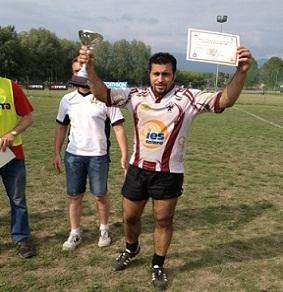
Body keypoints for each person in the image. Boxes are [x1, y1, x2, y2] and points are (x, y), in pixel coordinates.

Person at [78, 46, 252, 290]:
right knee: (130, 217)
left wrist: (241, 72)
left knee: (163, 220)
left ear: (174, 75)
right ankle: (131, 247)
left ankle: (158, 264)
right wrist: (91, 69)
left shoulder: (188, 98)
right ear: (149, 74)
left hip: (169, 172)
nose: (160, 79)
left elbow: (225, 100)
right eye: (156, 74)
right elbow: (103, 94)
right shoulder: (135, 95)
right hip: (138, 169)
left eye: (166, 74)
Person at [53, 59, 128, 251]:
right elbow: (61, 128)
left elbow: (118, 128)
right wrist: (56, 153)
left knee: (100, 195)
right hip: (73, 156)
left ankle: (104, 230)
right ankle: (75, 233)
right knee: (74, 196)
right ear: (73, 73)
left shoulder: (105, 98)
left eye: (84, 70)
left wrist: (124, 155)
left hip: (98, 156)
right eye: (77, 70)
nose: (81, 73)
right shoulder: (67, 100)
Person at [0, 76, 36, 258]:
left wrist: (12, 133)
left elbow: (29, 117)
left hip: (11, 154)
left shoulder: (9, 86)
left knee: (17, 199)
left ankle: (22, 239)